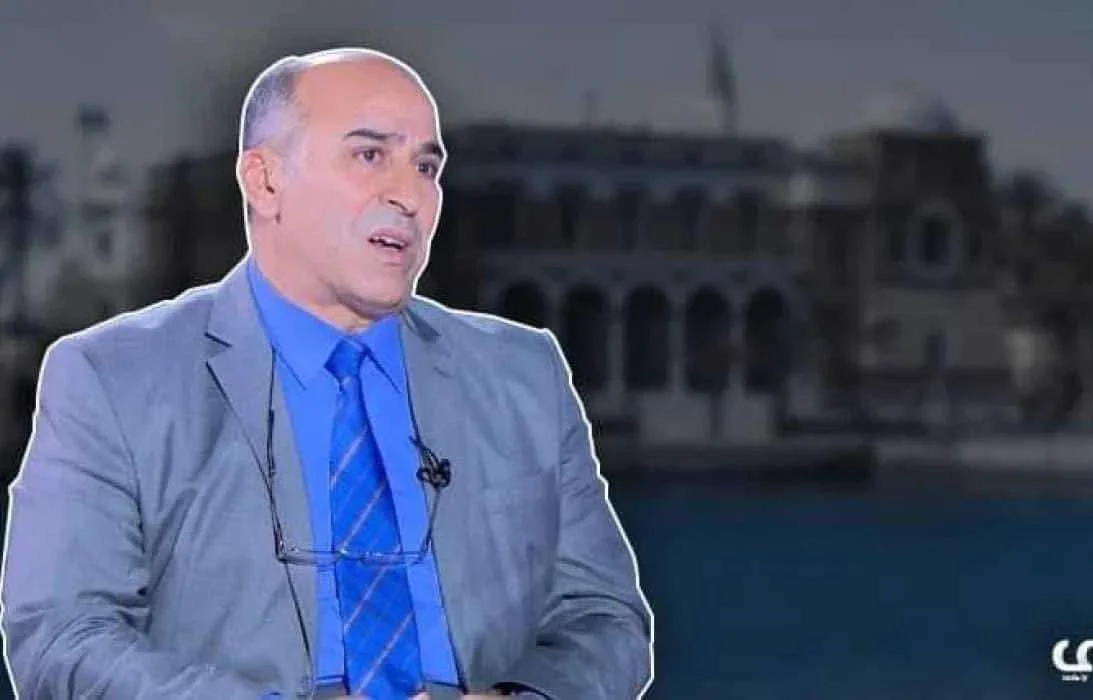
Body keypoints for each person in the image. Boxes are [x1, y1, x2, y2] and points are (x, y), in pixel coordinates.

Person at [0, 47, 653, 699]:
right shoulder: (111, 379)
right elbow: (61, 638)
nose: (409, 196)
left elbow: (605, 621)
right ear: (265, 182)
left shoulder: (524, 374)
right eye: (369, 155)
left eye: (426, 167)